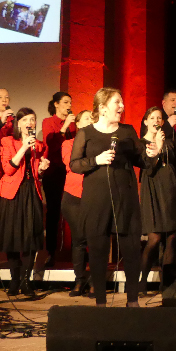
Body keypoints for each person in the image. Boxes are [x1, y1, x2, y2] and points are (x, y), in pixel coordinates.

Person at [69, 88, 160, 307]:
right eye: (117, 102)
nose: (122, 106)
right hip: (96, 200)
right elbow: (74, 164)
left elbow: (143, 162)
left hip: (125, 199)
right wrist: (96, 160)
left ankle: (132, 300)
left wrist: (151, 155)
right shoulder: (86, 133)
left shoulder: (127, 131)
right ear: (102, 107)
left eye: (122, 102)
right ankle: (100, 300)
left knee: (130, 249)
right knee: (98, 249)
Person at [0, 108, 50, 297]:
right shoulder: (8, 141)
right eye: (26, 120)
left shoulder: (38, 145)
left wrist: (42, 168)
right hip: (11, 194)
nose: (30, 123)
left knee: (30, 238)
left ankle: (26, 281)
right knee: (12, 238)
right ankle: (14, 281)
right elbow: (8, 169)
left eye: (33, 119)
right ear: (18, 123)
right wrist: (24, 147)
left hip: (31, 191)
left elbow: (35, 173)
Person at [138, 107, 176, 292]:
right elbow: (148, 167)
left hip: (170, 190)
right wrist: (158, 146)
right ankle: (141, 283)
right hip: (152, 190)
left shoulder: (169, 141)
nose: (156, 120)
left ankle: (165, 285)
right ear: (145, 122)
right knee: (154, 238)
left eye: (159, 118)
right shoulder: (141, 143)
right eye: (152, 117)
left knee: (171, 238)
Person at [41, 92, 78, 267]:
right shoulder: (49, 122)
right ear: (56, 104)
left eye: (70, 102)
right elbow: (52, 146)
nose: (68, 105)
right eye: (65, 102)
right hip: (54, 172)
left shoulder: (73, 125)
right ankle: (51, 252)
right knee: (54, 212)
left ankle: (76, 251)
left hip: (70, 172)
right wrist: (64, 128)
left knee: (73, 210)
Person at [61, 110, 93, 296]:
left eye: (92, 118)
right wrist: (94, 161)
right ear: (78, 124)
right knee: (79, 239)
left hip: (94, 196)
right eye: (87, 118)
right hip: (73, 196)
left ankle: (96, 280)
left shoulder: (98, 145)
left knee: (96, 239)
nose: (91, 121)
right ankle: (80, 280)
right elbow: (70, 163)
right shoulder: (69, 143)